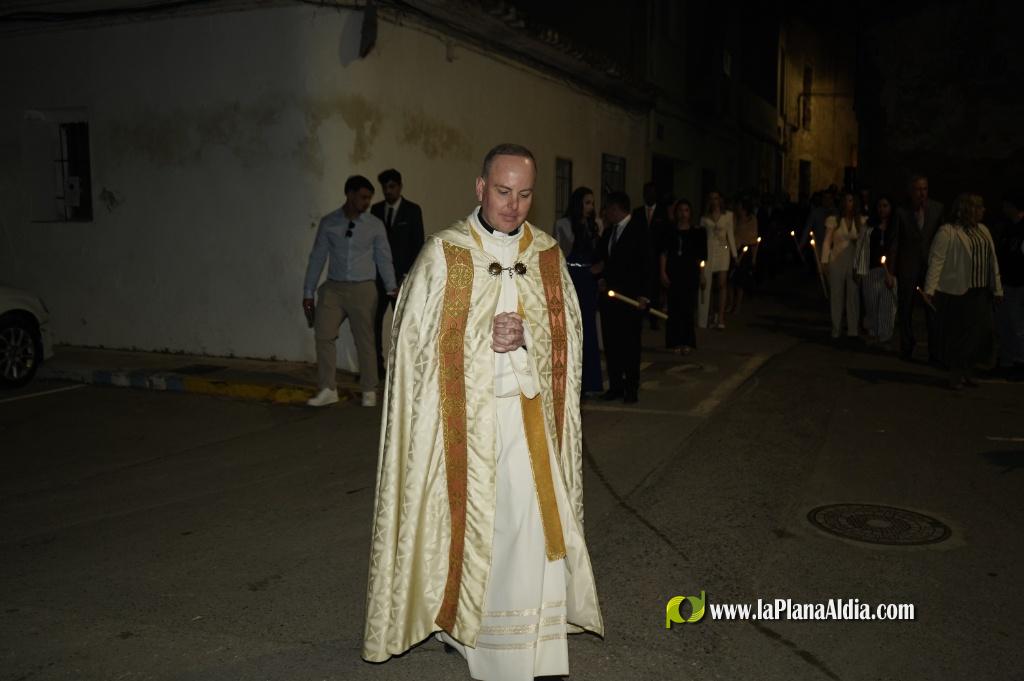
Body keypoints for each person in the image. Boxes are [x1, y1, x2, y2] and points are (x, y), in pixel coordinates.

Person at [362, 143, 603, 679]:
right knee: (475, 529)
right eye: (502, 192)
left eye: (524, 195)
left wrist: (530, 336)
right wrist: (480, 338)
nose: (513, 206)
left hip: (528, 419)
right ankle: (466, 632)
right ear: (479, 187)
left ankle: (530, 644)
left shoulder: (546, 255)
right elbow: (411, 348)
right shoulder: (443, 254)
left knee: (528, 529)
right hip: (464, 431)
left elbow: (569, 340)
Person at [303, 175, 397, 408]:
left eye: (369, 198)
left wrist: (391, 287)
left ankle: (369, 390)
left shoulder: (374, 225)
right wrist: (308, 292)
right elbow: (317, 257)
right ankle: (328, 388)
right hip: (333, 288)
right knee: (323, 335)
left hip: (363, 288)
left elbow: (383, 258)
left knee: (365, 340)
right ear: (350, 194)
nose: (367, 202)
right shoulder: (329, 222)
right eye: (363, 197)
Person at [922, 194, 1003, 389]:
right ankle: (955, 375)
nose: (983, 211)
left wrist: (997, 288)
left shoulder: (983, 230)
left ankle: (968, 371)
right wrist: (929, 289)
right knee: (960, 336)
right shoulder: (948, 231)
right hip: (959, 292)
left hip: (981, 291)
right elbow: (936, 260)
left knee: (978, 335)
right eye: (978, 207)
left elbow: (992, 261)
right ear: (967, 210)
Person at [597, 191, 654, 403]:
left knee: (629, 345)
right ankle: (615, 386)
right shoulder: (608, 232)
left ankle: (631, 388)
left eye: (607, 209)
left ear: (615, 208)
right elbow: (604, 261)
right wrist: (602, 278)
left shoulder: (639, 231)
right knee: (611, 344)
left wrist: (645, 295)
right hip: (610, 299)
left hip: (630, 299)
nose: (605, 213)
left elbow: (647, 264)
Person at [370, 168, 424, 377]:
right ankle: (376, 367)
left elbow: (418, 246)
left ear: (400, 186)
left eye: (391, 187)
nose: (388, 191)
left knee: (403, 324)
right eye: (384, 187)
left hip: (402, 279)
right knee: (373, 322)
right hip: (378, 279)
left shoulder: (412, 211)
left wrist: (406, 278)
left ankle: (403, 370)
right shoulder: (375, 210)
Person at [554, 186, 604, 395]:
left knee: (588, 328)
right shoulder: (563, 224)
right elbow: (559, 253)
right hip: (570, 278)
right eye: (587, 203)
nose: (590, 207)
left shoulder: (596, 224)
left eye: (592, 203)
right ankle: (571, 380)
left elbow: (600, 252)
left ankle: (590, 382)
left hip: (588, 279)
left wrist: (599, 270)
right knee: (571, 328)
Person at [894, 175, 945, 362]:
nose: (922, 193)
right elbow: (895, 242)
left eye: (924, 189)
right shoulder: (902, 212)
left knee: (931, 309)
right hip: (908, 266)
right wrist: (891, 270)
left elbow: (942, 238)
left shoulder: (937, 209)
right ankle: (907, 345)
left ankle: (935, 350)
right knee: (905, 308)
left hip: (930, 266)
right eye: (918, 189)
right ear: (911, 191)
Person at [660, 199, 706, 354]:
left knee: (687, 308)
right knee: (674, 308)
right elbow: (664, 253)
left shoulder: (697, 232)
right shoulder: (670, 231)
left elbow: (700, 257)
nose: (683, 214)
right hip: (674, 272)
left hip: (690, 273)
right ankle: (674, 341)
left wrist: (702, 274)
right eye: (680, 210)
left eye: (686, 210)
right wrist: (662, 271)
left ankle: (687, 341)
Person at [854, 195, 899, 344]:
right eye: (880, 206)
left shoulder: (895, 227)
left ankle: (885, 336)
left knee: (887, 306)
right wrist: (857, 269)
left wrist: (891, 273)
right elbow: (860, 247)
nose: (882, 209)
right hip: (871, 271)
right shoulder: (868, 227)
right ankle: (873, 332)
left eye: (885, 206)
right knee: (871, 304)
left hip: (889, 273)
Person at [821, 191, 864, 340]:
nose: (848, 204)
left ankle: (853, 330)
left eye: (851, 200)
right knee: (836, 295)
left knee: (853, 295)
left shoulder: (861, 221)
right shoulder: (834, 220)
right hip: (836, 261)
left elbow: (863, 244)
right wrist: (824, 261)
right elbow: (827, 241)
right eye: (846, 200)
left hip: (853, 262)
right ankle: (836, 329)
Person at [632, 181, 670, 329]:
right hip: (641, 256)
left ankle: (654, 318)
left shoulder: (662, 213)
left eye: (652, 193)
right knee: (641, 286)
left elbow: (665, 236)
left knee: (655, 288)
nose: (649, 195)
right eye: (647, 192)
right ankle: (640, 316)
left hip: (656, 256)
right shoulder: (637, 212)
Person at [698, 190, 736, 329]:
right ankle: (710, 314)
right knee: (709, 285)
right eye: (712, 198)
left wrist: (734, 254)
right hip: (709, 251)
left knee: (721, 284)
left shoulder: (728, 215)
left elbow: (730, 235)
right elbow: (701, 237)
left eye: (716, 198)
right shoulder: (704, 218)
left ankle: (720, 317)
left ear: (720, 199)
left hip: (723, 251)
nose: (714, 201)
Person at [995, 192, 1024, 376]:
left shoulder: (1021, 228)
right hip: (1006, 282)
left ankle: (1019, 363)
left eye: (1006, 205)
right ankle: (1006, 361)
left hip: (1018, 283)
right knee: (1004, 323)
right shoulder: (1007, 227)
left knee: (1017, 325)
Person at [728, 196, 759, 315]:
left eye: (740, 206)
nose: (738, 208)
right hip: (734, 250)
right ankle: (730, 303)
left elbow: (754, 239)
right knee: (730, 280)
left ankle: (738, 306)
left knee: (740, 281)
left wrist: (754, 258)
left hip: (745, 251)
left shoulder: (752, 219)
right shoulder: (734, 218)